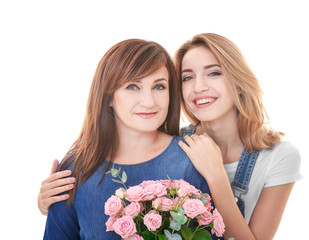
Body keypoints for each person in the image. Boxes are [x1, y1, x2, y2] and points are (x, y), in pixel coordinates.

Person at [42, 39, 212, 239]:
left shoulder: (191, 159)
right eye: (132, 87)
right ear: (109, 96)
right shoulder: (75, 170)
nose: (148, 102)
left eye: (159, 87)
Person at [175, 33, 301, 239]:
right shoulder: (172, 145)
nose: (198, 87)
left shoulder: (280, 156)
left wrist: (216, 175)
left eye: (214, 73)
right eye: (187, 78)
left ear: (239, 82)